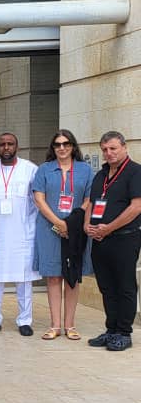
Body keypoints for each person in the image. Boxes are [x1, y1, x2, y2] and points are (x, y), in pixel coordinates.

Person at [32, 130, 94, 340]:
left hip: (75, 229)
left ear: (73, 146)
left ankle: (70, 325)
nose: (62, 148)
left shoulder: (85, 170)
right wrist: (59, 222)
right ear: (53, 148)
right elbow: (39, 199)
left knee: (71, 277)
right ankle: (55, 325)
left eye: (66, 144)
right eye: (57, 144)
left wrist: (71, 222)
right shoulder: (44, 169)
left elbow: (89, 199)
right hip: (49, 229)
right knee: (53, 276)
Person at [83, 131, 141, 351]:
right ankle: (111, 329)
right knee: (107, 287)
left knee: (124, 286)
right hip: (100, 240)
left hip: (124, 239)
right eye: (105, 149)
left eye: (113, 148)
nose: (109, 153)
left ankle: (124, 332)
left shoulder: (135, 172)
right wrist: (87, 224)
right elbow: (91, 203)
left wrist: (108, 228)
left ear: (124, 147)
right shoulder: (101, 175)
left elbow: (136, 207)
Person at [0, 133, 40, 337]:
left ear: (17, 146)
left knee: (24, 281)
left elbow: (38, 203)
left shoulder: (31, 169)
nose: (6, 147)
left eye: (10, 144)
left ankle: (25, 321)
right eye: (2, 144)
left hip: (23, 234)